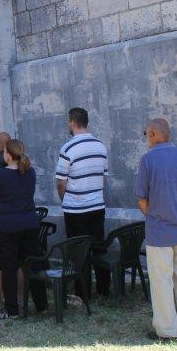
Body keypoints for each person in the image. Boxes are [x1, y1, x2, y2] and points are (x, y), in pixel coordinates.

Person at [135, 118, 177, 341]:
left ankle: (166, 330)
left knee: (161, 281)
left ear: (153, 134)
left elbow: (141, 198)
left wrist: (153, 216)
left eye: (146, 134)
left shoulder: (148, 160)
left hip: (160, 230)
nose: (146, 138)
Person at [0, 139, 47, 317]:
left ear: (8, 155)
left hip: (6, 226)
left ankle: (12, 310)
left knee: (8, 267)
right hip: (29, 223)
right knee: (33, 264)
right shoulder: (30, 172)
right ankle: (42, 305)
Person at [55, 107, 110, 297]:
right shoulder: (101, 147)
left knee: (78, 251)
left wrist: (65, 199)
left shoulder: (68, 148)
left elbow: (60, 182)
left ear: (72, 122)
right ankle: (103, 288)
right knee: (98, 246)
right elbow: (103, 177)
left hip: (75, 208)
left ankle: (83, 290)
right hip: (97, 205)